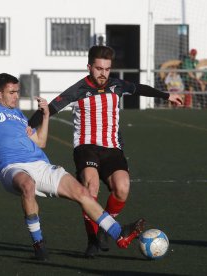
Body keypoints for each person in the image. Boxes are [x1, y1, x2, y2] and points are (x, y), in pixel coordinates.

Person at [0, 68, 145, 261]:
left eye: (17, 92)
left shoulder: (19, 115)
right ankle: (38, 242)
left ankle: (119, 235)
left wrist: (45, 116)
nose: (15, 96)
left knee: (82, 193)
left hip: (40, 164)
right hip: (12, 168)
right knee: (27, 185)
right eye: (11, 92)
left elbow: (40, 142)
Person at [28, 45, 183, 258]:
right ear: (90, 67)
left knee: (123, 187)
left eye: (107, 69)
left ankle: (103, 228)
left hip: (112, 148)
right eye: (99, 68)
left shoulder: (117, 85)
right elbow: (50, 109)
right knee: (90, 189)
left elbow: (139, 88)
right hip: (86, 148)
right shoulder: (78, 89)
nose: (103, 73)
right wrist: (27, 126)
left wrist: (166, 96)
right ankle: (92, 241)